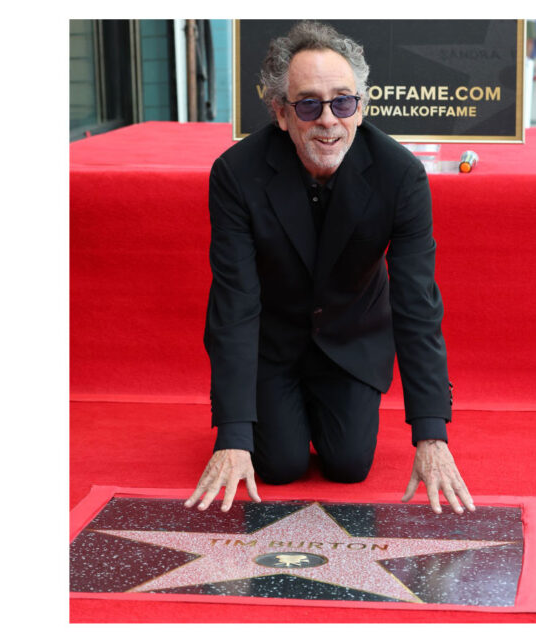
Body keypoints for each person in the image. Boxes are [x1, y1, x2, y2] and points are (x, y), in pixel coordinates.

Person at [185, 21, 474, 515]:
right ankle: (280, 414)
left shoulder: (400, 176)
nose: (328, 120)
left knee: (349, 464)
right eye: (308, 104)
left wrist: (432, 433)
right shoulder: (236, 174)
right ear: (281, 113)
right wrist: (231, 435)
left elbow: (416, 303)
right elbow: (234, 303)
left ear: (360, 109)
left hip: (352, 337)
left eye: (343, 102)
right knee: (279, 464)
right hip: (272, 343)